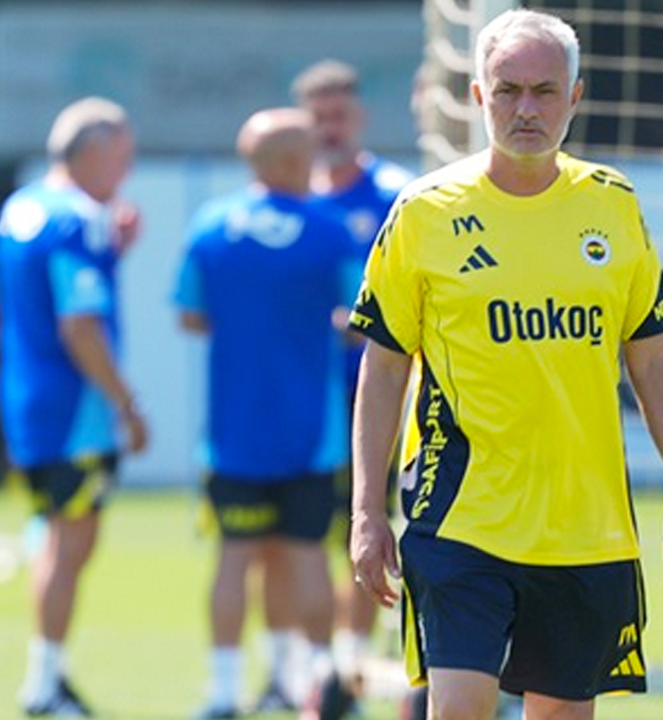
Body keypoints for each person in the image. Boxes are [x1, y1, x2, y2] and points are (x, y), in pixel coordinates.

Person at [348, 9, 663, 720]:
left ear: (575, 98)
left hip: (585, 523)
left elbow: (650, 353)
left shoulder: (611, 205)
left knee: (561, 715)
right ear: (479, 96)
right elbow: (385, 365)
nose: (526, 108)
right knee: (458, 707)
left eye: (545, 91)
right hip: (461, 516)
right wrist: (367, 511)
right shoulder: (424, 213)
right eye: (508, 90)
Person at [176, 107, 359, 720]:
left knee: (234, 557)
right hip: (311, 431)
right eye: (308, 152)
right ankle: (319, 686)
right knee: (308, 555)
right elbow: (362, 321)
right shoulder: (328, 230)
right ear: (287, 160)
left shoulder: (210, 227)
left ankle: (223, 694)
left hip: (234, 431)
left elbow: (190, 314)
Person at [250, 59, 415, 709]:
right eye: (318, 116)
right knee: (284, 540)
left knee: (374, 528)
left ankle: (347, 668)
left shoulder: (394, 195)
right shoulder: (282, 200)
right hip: (295, 401)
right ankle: (290, 671)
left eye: (339, 113)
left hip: (373, 398)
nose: (330, 127)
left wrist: (355, 323)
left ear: (360, 117)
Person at [0, 96, 148, 718]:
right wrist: (128, 403)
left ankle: (44, 678)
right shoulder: (78, 218)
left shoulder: (22, 207)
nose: (125, 171)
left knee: (57, 542)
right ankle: (45, 684)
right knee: (70, 549)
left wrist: (114, 252)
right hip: (76, 413)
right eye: (121, 157)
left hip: (28, 403)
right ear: (93, 152)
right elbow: (80, 325)